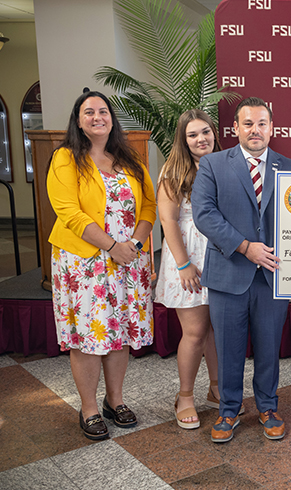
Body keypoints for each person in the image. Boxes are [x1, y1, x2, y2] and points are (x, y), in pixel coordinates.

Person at [47, 90, 156, 440]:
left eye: (103, 111)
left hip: (127, 260)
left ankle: (115, 401)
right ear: (78, 120)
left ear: (112, 118)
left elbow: (149, 208)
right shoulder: (65, 158)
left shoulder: (130, 160)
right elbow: (69, 212)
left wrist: (134, 245)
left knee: (119, 331)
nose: (97, 116)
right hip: (83, 264)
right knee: (88, 335)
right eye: (89, 111)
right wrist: (112, 247)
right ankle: (90, 408)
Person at [191, 97, 291, 443]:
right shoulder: (212, 165)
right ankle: (228, 410)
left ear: (272, 127)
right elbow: (205, 215)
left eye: (262, 123)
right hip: (228, 273)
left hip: (273, 276)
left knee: (269, 347)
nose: (256, 130)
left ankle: (268, 407)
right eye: (248, 124)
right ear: (235, 128)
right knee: (229, 348)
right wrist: (245, 247)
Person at [155, 109, 234, 429]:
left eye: (205, 132)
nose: (201, 139)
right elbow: (168, 221)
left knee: (217, 329)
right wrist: (184, 264)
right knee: (196, 331)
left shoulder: (226, 166)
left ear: (214, 133)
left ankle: (216, 391)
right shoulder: (173, 172)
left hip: (221, 257)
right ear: (183, 140)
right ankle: (185, 395)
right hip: (188, 260)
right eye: (192, 134)